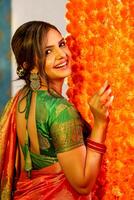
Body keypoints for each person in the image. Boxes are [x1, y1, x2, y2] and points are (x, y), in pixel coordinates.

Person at [0, 21, 113, 200]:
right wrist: (100, 123)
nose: (62, 55)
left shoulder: (22, 98)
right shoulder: (60, 110)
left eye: (61, 44)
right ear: (29, 65)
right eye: (47, 52)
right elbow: (83, 184)